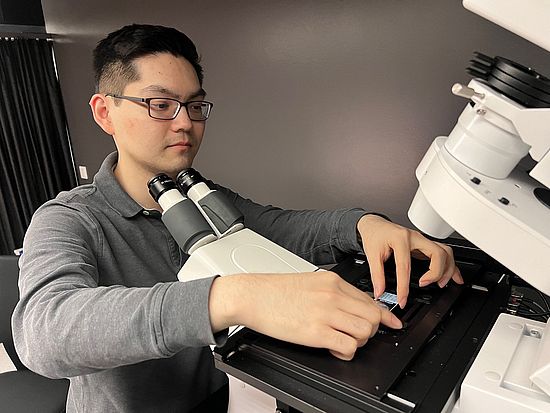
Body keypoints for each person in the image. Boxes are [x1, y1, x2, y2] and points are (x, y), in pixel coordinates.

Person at [12, 24, 462, 412]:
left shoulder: (206, 198)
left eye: (194, 106)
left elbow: (289, 229)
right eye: (160, 104)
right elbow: (42, 333)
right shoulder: (70, 219)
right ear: (104, 112)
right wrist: (231, 297)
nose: (185, 124)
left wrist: (366, 225)